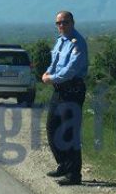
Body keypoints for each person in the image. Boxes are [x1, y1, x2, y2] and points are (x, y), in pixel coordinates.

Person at [42, 10, 88, 186]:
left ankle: (74, 174)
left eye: (65, 22)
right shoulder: (61, 41)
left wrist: (51, 78)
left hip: (72, 90)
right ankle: (64, 164)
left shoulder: (78, 43)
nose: (61, 25)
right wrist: (48, 72)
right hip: (59, 90)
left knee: (69, 133)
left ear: (73, 23)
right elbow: (55, 63)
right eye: (58, 23)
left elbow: (71, 69)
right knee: (52, 127)